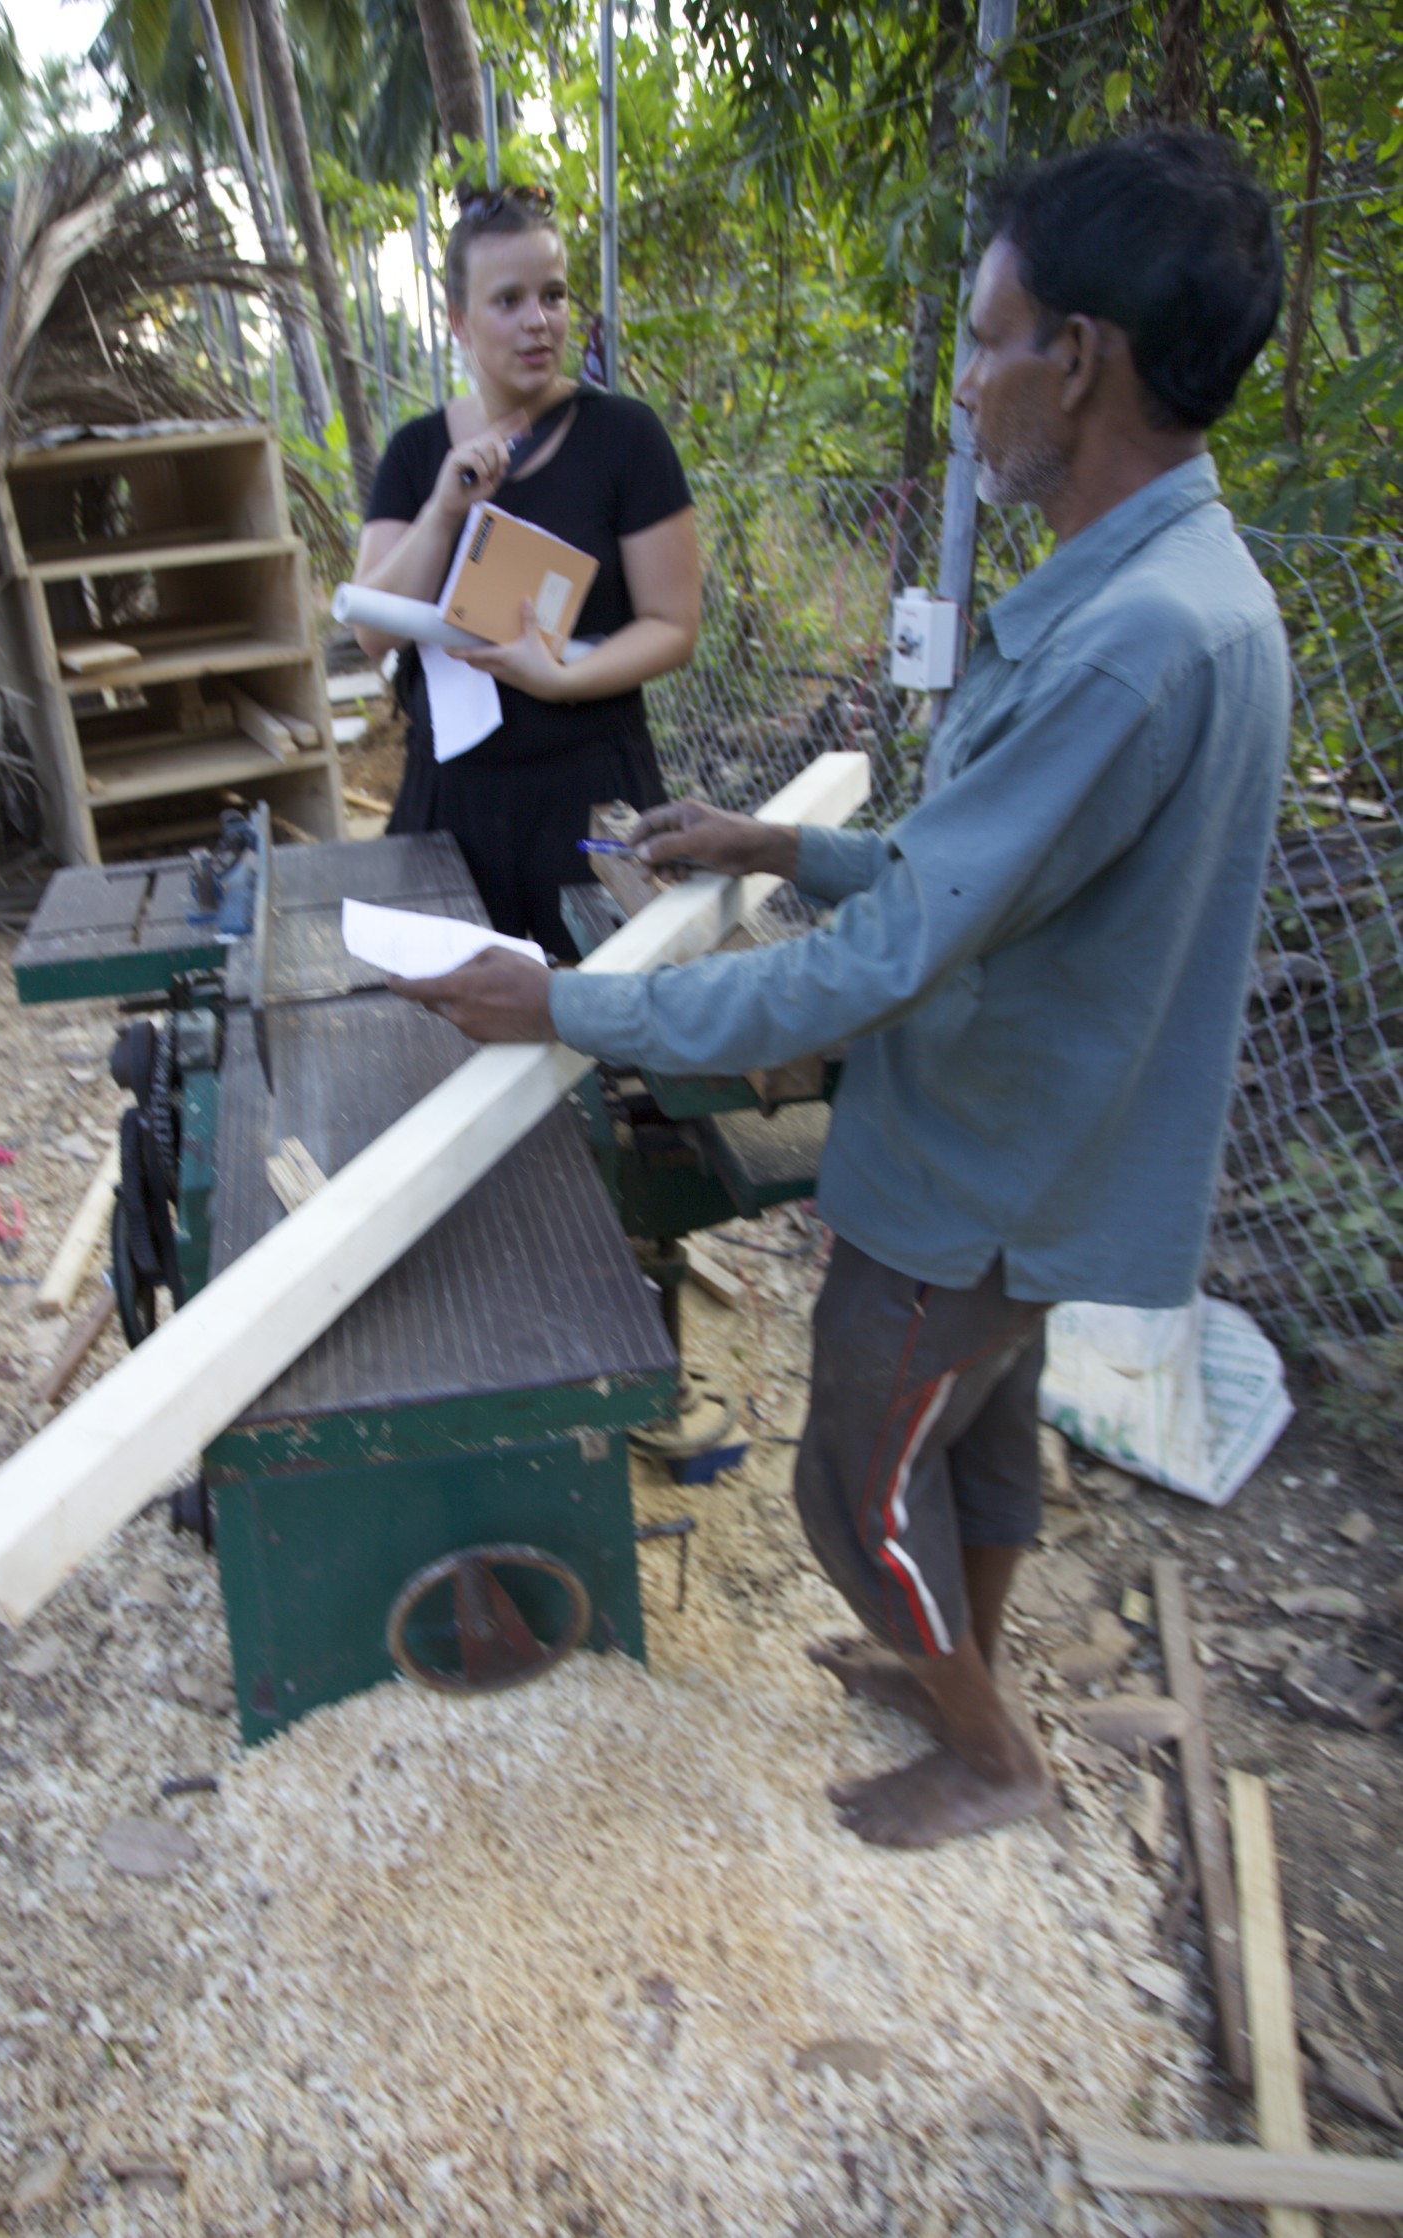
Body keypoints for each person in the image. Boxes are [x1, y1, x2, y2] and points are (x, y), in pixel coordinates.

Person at [386, 133, 1289, 1851]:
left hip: (974, 1161)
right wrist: (780, 847)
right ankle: (959, 1661)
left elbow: (884, 969)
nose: (964, 389)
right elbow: (995, 882)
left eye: (983, 341)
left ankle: (987, 1751)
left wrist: (565, 1007)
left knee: (846, 1479)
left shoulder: (1125, 644)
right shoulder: (1187, 593)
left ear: (1077, 358)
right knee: (982, 1433)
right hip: (1050, 1142)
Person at [351, 183, 702, 958]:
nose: (538, 321)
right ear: (459, 322)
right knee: (443, 1036)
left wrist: (561, 679)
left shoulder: (625, 439)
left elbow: (674, 625)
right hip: (450, 800)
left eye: (553, 294)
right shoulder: (417, 454)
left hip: (592, 793)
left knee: (608, 1033)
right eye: (507, 301)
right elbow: (372, 630)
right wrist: (446, 508)